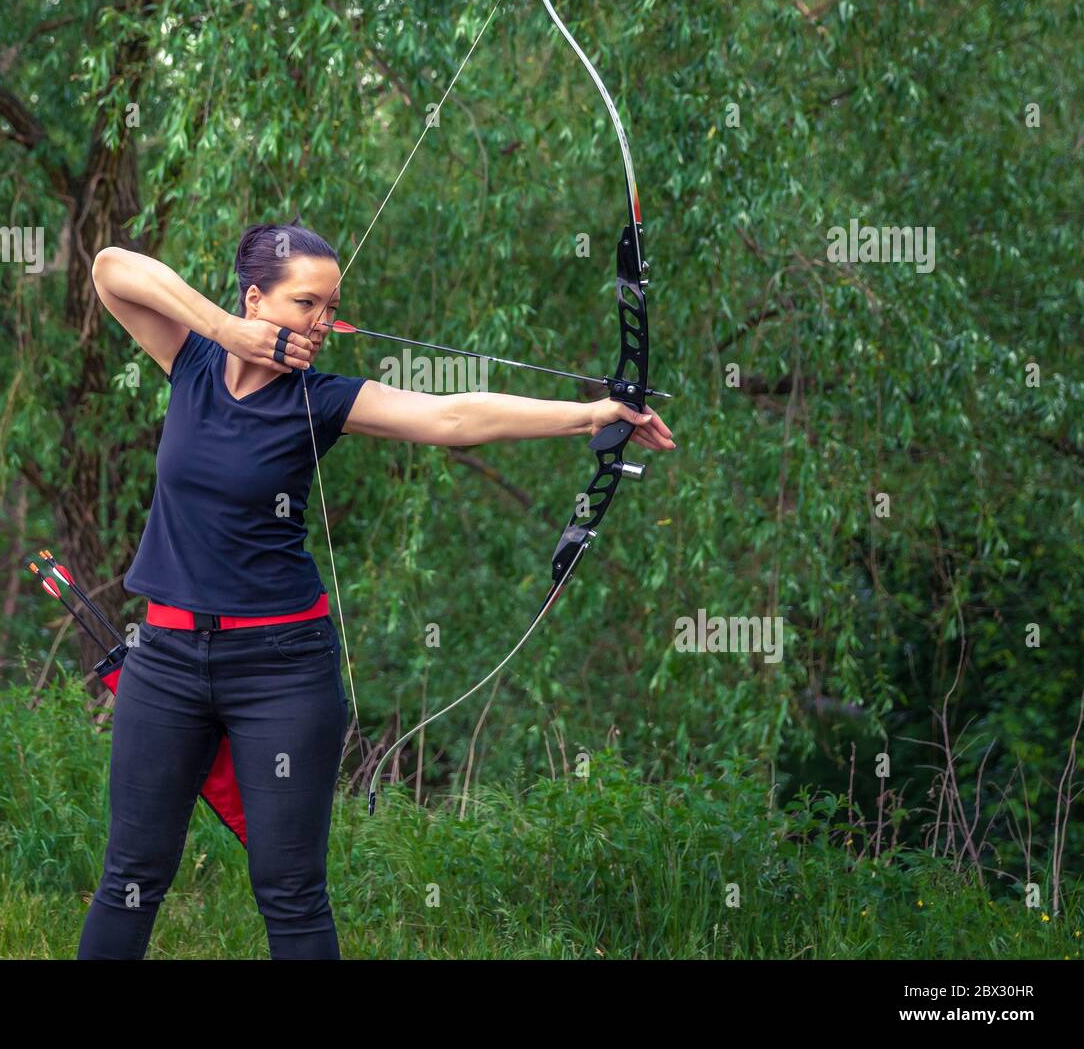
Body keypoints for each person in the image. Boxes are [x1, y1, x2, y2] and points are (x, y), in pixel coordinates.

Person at [77, 219, 674, 960]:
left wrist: (592, 413)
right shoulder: (191, 362)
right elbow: (111, 269)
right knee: (131, 876)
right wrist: (226, 330)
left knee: (289, 892)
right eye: (308, 304)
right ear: (256, 298)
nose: (325, 323)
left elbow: (455, 416)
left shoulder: (324, 399)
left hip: (283, 666)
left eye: (332, 307)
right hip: (164, 657)